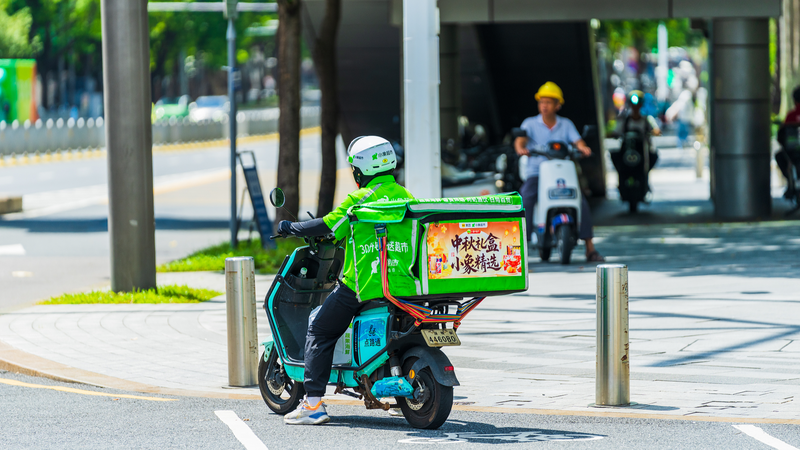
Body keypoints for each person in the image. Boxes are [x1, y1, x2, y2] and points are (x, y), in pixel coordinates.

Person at [276, 136, 414, 425]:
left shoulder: (359, 200)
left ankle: (313, 404)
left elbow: (329, 225)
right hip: (405, 286)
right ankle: (401, 399)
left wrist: (291, 227)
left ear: (360, 171)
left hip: (364, 285)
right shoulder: (406, 196)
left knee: (319, 328)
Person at [514, 81, 604, 262]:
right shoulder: (530, 124)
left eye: (548, 102)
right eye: (542, 102)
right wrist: (521, 149)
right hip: (537, 173)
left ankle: (590, 248)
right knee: (525, 198)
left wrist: (583, 148)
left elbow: (578, 141)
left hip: (561, 173)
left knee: (580, 201)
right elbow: (520, 140)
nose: (544, 106)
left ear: (558, 105)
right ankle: (519, 246)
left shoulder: (566, 124)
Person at [609, 90, 661, 172]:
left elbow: (656, 130)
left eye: (638, 104)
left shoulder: (647, 120)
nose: (635, 107)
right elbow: (615, 132)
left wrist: (654, 132)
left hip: (643, 149)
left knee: (653, 156)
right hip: (627, 149)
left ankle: (645, 173)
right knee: (615, 155)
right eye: (633, 105)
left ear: (641, 105)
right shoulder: (624, 120)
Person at [776, 86, 800, 189]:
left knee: (779, 156)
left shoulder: (791, 116)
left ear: (794, 101)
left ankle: (791, 183)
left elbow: (781, 136)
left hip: (793, 153)